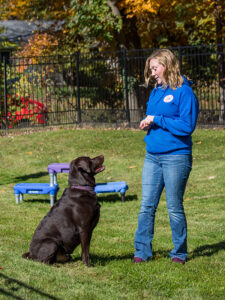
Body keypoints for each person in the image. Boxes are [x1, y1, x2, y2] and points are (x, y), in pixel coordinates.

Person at [133, 49, 199, 265]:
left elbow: (187, 126)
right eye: (150, 69)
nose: (152, 73)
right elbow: (156, 118)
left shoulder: (184, 92)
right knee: (146, 206)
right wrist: (148, 122)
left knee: (174, 207)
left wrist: (157, 119)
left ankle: (179, 252)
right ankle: (141, 252)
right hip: (152, 156)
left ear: (168, 66)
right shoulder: (156, 92)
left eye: (155, 68)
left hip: (176, 158)